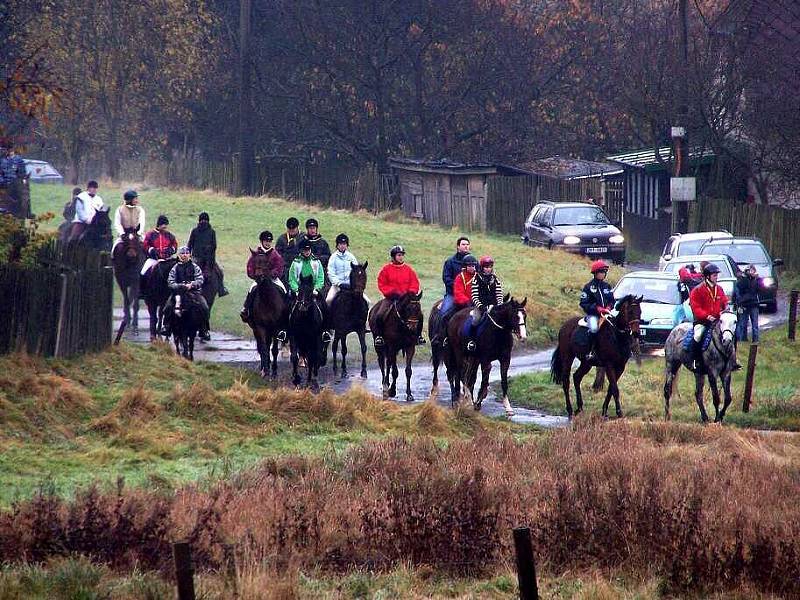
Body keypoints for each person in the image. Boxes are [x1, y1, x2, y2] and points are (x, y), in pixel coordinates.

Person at [240, 230, 287, 339]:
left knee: (283, 290)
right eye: (266, 241)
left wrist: (272, 274)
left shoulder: (275, 254)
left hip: (272, 279)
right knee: (252, 289)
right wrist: (254, 275)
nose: (268, 243)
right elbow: (250, 267)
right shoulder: (256, 253)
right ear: (262, 241)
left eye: (269, 241)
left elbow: (279, 267)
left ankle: (286, 312)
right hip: (259, 280)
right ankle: (246, 309)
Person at [373, 245, 423, 346]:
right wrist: (391, 292)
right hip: (391, 298)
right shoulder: (386, 269)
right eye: (399, 255)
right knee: (379, 314)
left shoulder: (408, 269)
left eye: (402, 255)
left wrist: (411, 292)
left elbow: (414, 282)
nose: (401, 257)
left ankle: (418, 336)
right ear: (393, 257)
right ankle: (379, 336)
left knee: (419, 315)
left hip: (407, 299)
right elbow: (381, 283)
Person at [162, 246, 210, 341]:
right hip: (178, 293)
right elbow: (170, 282)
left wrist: (192, 285)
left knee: (204, 307)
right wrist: (179, 286)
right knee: (167, 307)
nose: (184, 256)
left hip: (193, 293)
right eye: (182, 254)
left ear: (190, 255)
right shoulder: (175, 268)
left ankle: (204, 329)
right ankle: (166, 326)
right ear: (179, 255)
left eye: (186, 253)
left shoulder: (195, 267)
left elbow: (200, 279)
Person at [688, 263, 730, 372]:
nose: (717, 277)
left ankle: (732, 360)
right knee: (697, 336)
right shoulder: (697, 290)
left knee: (729, 333)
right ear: (707, 276)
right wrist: (706, 316)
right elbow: (695, 307)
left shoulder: (719, 289)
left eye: (717, 275)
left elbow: (724, 301)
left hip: (716, 321)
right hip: (702, 321)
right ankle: (695, 360)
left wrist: (726, 308)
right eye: (714, 275)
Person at [288, 237, 331, 343]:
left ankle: (325, 331)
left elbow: (321, 277)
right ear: (301, 250)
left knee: (324, 306)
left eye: (308, 250)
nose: (307, 252)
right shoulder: (296, 262)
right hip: (299, 290)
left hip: (313, 290)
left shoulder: (316, 262)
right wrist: (296, 290)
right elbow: (292, 278)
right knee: (286, 305)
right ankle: (285, 330)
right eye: (304, 250)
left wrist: (317, 289)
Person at [465, 255, 505, 352]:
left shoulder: (495, 279)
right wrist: (481, 306)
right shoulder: (476, 279)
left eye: (490, 267)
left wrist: (499, 305)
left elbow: (499, 294)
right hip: (481, 306)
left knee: (503, 320)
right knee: (476, 319)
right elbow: (474, 295)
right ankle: (472, 341)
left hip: (494, 306)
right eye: (486, 267)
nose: (488, 269)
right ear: (482, 268)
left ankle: (504, 342)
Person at [579, 260, 615, 362]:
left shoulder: (607, 286)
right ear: (595, 273)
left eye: (604, 272)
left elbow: (612, 300)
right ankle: (591, 352)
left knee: (618, 327)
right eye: (601, 272)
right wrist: (597, 308)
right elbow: (583, 303)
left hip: (607, 314)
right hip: (593, 315)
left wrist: (608, 307)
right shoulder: (588, 287)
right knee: (594, 329)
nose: (603, 274)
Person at [187, 212, 229, 297]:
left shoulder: (211, 232)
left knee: (219, 272)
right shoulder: (196, 231)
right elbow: (190, 244)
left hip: (207, 258)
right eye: (203, 220)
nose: (203, 222)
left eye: (204, 220)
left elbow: (213, 246)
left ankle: (221, 289)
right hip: (198, 257)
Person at [326, 233, 369, 306]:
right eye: (341, 244)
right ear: (337, 245)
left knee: (367, 302)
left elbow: (356, 271)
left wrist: (354, 284)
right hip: (337, 287)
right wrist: (339, 283)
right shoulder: (333, 258)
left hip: (351, 287)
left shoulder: (351, 257)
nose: (343, 246)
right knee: (328, 300)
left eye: (344, 244)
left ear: (347, 245)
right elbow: (330, 273)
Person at [440, 236, 471, 318]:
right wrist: (459, 288)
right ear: (458, 246)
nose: (466, 246)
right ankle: (439, 330)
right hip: (452, 294)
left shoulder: (473, 262)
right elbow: (446, 279)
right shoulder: (450, 262)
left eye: (467, 244)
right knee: (443, 313)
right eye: (463, 244)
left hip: (470, 296)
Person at [734, 264, 761, 343]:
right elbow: (740, 289)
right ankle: (742, 339)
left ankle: (755, 340)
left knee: (755, 324)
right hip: (744, 304)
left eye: (753, 271)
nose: (752, 272)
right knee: (743, 323)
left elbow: (760, 289)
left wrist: (757, 279)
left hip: (754, 304)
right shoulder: (742, 280)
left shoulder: (755, 281)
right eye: (751, 270)